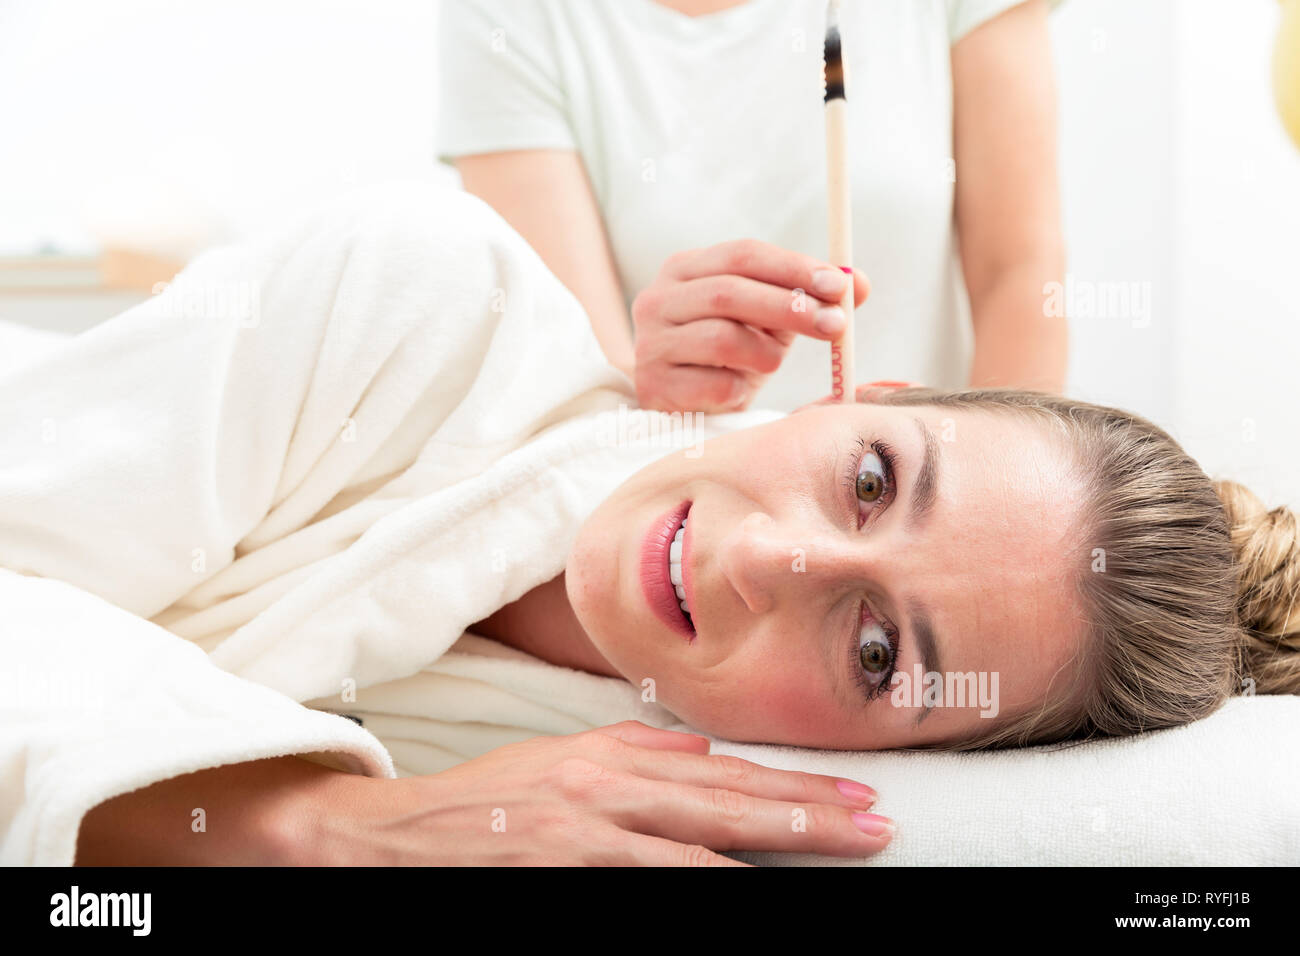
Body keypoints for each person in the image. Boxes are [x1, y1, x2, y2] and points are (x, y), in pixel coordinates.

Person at [3, 183, 1292, 866]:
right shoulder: (419, 296)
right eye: (870, 479)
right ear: (867, 388)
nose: (758, 558)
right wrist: (307, 827)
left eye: (879, 655)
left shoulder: (636, 810)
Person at [436, 0, 1068, 413]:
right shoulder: (507, 15)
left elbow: (1020, 271)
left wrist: (991, 495)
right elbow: (578, 386)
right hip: (694, 530)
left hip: (926, 528)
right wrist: (648, 386)